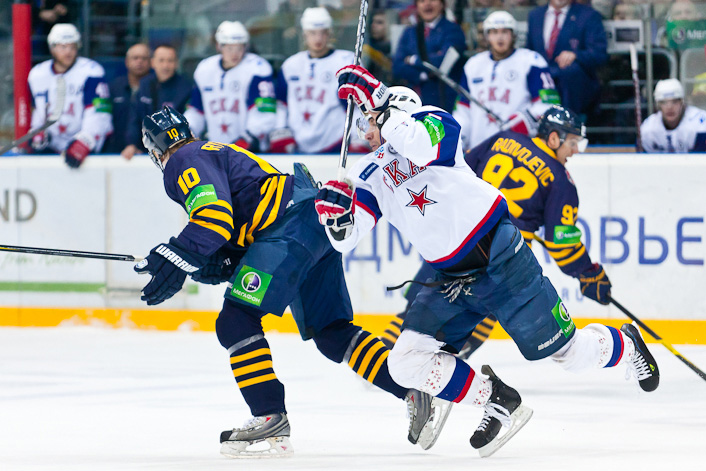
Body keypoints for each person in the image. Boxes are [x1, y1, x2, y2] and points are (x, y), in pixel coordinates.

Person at [319, 65, 660, 456]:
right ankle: (497, 399)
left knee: (568, 354)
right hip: (451, 279)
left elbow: (419, 146)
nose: (364, 130)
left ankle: (625, 344)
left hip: (503, 261)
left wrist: (381, 104)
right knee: (404, 362)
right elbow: (347, 239)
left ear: (394, 109)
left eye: (369, 119)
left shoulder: (434, 121)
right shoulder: (368, 173)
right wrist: (336, 218)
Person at [136, 106, 448, 458]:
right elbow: (240, 218)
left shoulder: (183, 160)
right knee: (331, 332)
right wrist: (214, 259)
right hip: (313, 220)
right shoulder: (211, 149)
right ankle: (412, 390)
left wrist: (176, 254)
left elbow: (213, 218)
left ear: (155, 150)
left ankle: (269, 415)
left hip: (289, 229)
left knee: (236, 320)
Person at [385, 105, 616, 355]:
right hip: (502, 254)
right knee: (483, 312)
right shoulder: (561, 181)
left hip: (455, 235)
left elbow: (458, 170)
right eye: (572, 142)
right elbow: (562, 245)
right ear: (553, 138)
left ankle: (383, 356)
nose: (575, 151)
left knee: (421, 306)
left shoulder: (503, 138)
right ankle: (449, 361)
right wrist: (588, 273)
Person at [453, 10, 561, 151]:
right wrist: (459, 139)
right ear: (487, 36)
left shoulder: (531, 61)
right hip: (478, 147)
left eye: (505, 32)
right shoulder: (473, 65)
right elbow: (463, 110)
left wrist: (524, 121)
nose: (500, 37)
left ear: (513, 35)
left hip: (517, 149)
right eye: (494, 32)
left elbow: (548, 105)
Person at [271, 7, 367, 154]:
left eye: (323, 32)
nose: (318, 38)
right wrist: (281, 130)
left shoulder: (347, 62)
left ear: (330, 33)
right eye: (312, 33)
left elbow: (358, 105)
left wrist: (359, 136)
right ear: (304, 34)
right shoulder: (290, 65)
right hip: (297, 144)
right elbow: (281, 104)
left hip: (337, 142)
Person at [27, 23, 113, 168]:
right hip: (51, 149)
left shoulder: (91, 71)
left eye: (73, 47)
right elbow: (37, 110)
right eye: (63, 47)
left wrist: (86, 140)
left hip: (85, 149)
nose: (68, 52)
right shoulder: (37, 74)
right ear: (52, 48)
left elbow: (100, 112)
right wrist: (38, 132)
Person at [183, 21, 276, 152]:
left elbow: (264, 111)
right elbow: (196, 109)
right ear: (219, 46)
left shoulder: (258, 68)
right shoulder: (205, 69)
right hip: (215, 149)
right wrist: (187, 131)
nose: (235, 53)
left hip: (250, 150)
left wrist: (249, 138)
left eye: (239, 48)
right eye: (229, 48)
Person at [526, 0, 608, 116]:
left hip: (573, 93)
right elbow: (529, 52)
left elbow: (599, 53)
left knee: (570, 72)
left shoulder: (589, 16)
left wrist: (576, 55)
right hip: (540, 89)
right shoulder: (535, 16)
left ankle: (568, 123)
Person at [392, 0, 466, 112]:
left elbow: (443, 62)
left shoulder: (453, 30)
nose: (427, 4)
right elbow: (397, 66)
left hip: (444, 101)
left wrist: (413, 60)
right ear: (417, 6)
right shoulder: (409, 32)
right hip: (415, 102)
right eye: (422, 1)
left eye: (432, 0)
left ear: (442, 4)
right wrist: (422, 75)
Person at [121, 44, 192, 160]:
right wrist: (132, 144)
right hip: (144, 153)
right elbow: (135, 119)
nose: (165, 65)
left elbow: (188, 124)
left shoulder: (186, 88)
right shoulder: (144, 84)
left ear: (176, 63)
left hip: (175, 154)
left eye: (170, 61)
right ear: (153, 63)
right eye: (161, 60)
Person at [103, 43, 151, 153]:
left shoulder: (157, 88)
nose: (139, 61)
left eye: (144, 58)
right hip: (114, 153)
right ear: (127, 62)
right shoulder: (114, 87)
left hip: (148, 154)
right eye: (135, 58)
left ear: (150, 62)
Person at [640, 79, 706, 153]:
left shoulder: (700, 123)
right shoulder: (648, 128)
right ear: (658, 105)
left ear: (682, 103)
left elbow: (701, 157)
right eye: (663, 102)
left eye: (675, 101)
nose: (669, 107)